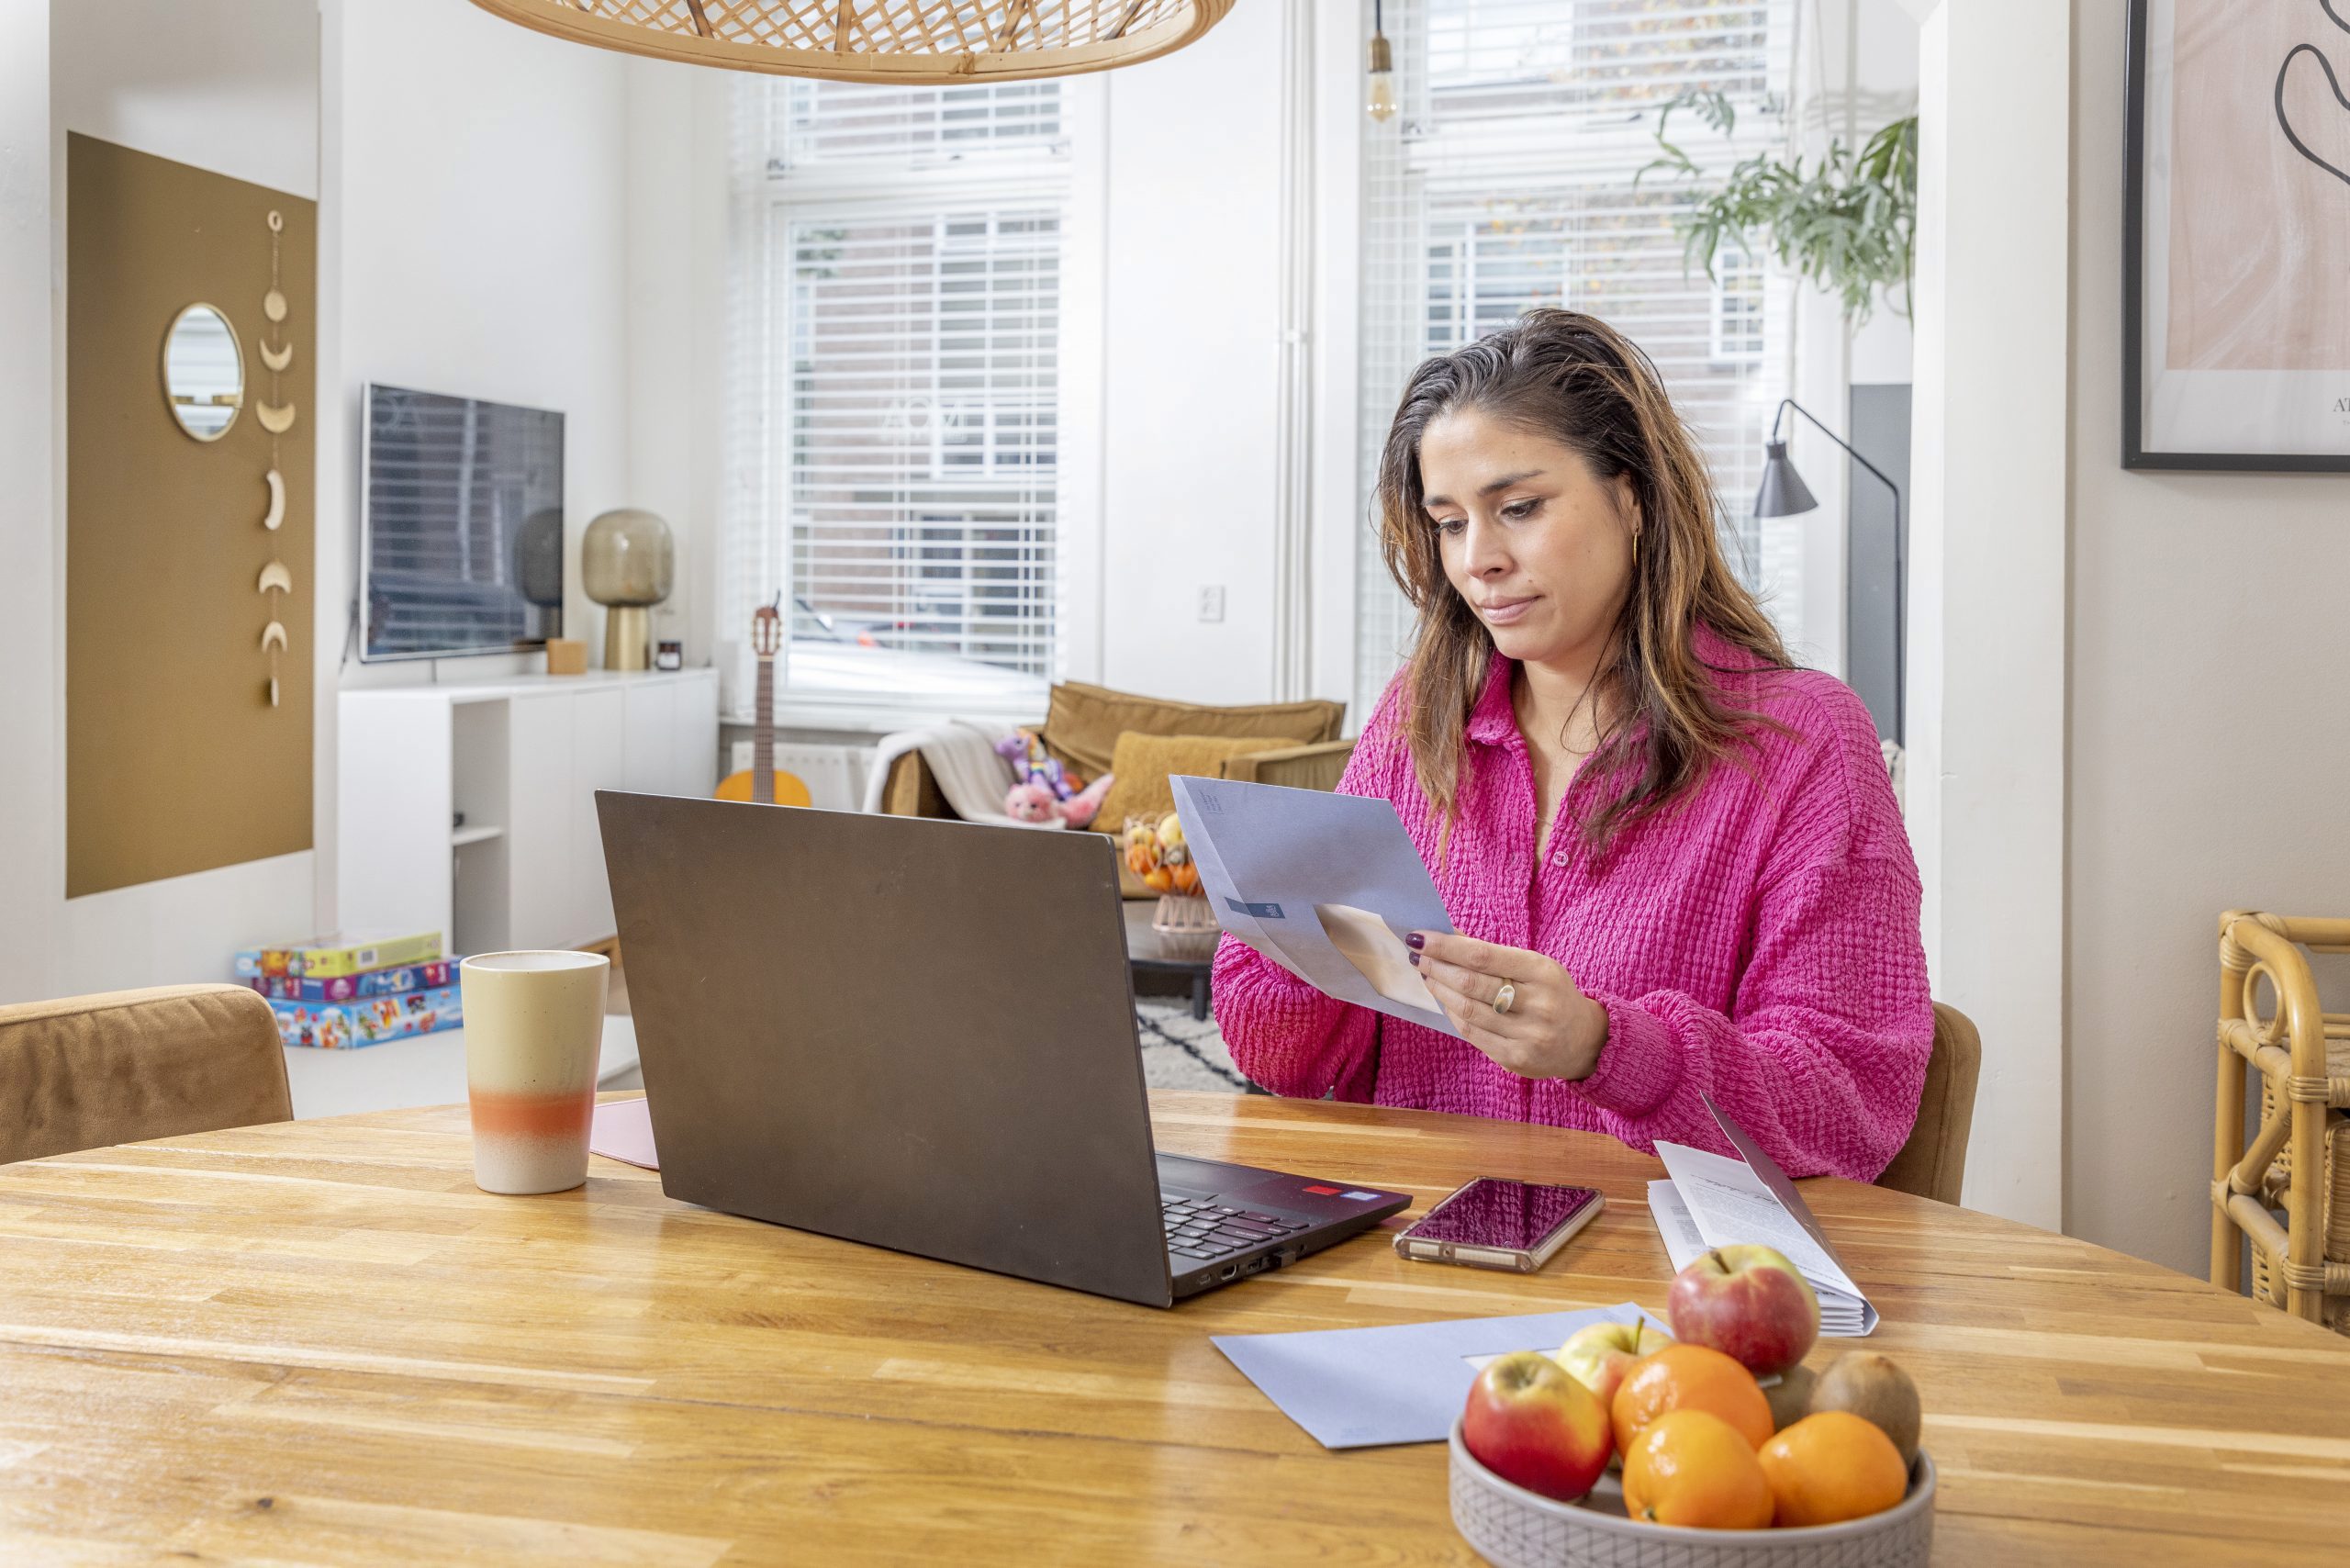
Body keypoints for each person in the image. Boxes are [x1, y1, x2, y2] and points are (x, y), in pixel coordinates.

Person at [1213, 310, 1932, 1181]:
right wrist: (1289, 941)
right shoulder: (1416, 722)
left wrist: (1608, 1046)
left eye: (1519, 508)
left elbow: (1847, 1103)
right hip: (1425, 1251)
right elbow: (1291, 1066)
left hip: (1661, 1272)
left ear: (1631, 498)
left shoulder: (1802, 744)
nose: (1478, 559)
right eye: (1448, 522)